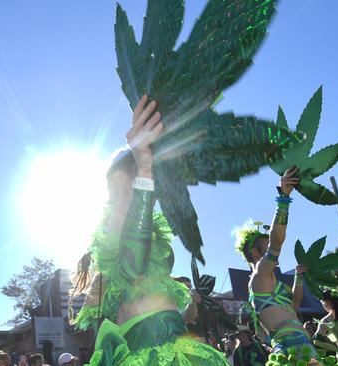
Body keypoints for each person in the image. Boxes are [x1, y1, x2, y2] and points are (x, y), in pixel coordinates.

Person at [70, 95, 228, 365]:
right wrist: (144, 168)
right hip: (150, 353)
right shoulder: (117, 215)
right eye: (142, 179)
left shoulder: (140, 216)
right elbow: (133, 266)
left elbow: (176, 314)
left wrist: (192, 304)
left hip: (173, 343)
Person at [234, 167, 319, 365]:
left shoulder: (270, 282)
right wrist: (283, 199)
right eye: (264, 246)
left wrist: (298, 276)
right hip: (291, 347)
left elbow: (296, 304)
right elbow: (276, 242)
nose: (274, 251)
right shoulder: (259, 277)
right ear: (255, 253)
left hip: (300, 344)